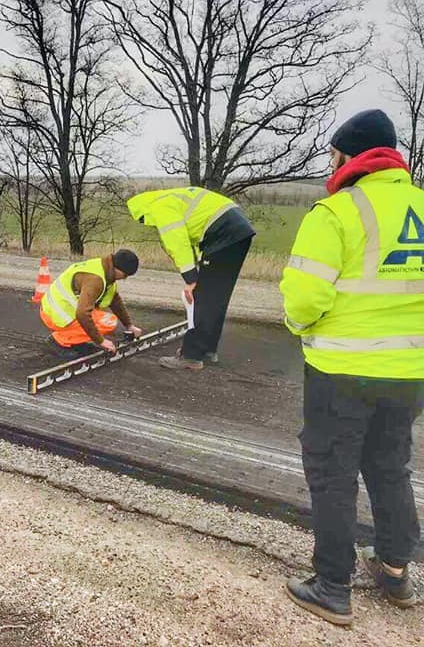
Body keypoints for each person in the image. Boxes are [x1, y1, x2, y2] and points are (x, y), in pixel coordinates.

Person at [280, 109, 424, 626]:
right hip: (411, 373)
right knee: (390, 467)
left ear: (348, 156)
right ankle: (395, 572)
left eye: (333, 154)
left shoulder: (336, 213)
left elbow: (301, 297)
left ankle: (333, 586)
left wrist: (305, 329)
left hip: (341, 371)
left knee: (332, 472)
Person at [127, 186, 255, 370]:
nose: (145, 223)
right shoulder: (173, 198)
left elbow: (178, 244)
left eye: (142, 219)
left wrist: (191, 279)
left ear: (142, 210)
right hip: (237, 231)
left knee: (203, 297)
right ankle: (208, 350)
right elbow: (195, 241)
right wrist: (197, 271)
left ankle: (191, 356)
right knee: (217, 296)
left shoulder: (161, 207)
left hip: (223, 233)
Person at [40, 249, 143, 359]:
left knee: (106, 320)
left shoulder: (105, 270)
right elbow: (82, 314)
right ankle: (57, 342)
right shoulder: (95, 280)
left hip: (60, 310)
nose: (125, 278)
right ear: (117, 269)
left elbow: (114, 300)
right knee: (105, 322)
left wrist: (130, 325)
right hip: (56, 314)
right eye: (125, 274)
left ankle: (76, 342)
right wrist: (101, 341)